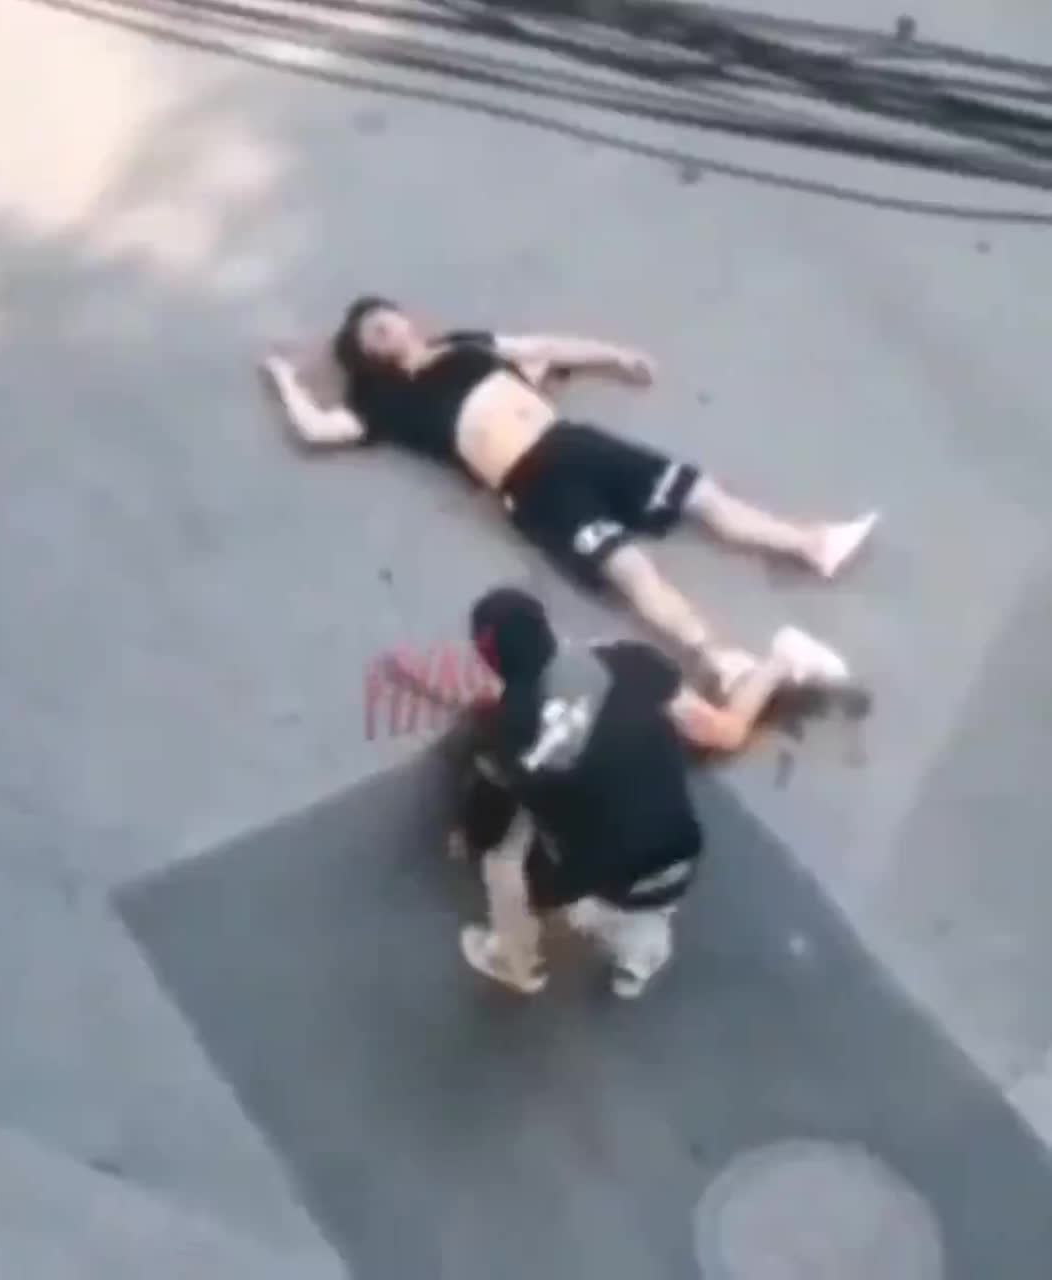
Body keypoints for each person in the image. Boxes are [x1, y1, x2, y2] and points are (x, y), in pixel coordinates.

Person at [262, 297, 878, 687]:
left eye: (385, 316)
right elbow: (318, 429)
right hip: (532, 484)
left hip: (575, 442)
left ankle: (811, 544)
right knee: (632, 571)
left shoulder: (465, 345)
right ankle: (720, 657)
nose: (385, 327)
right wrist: (286, 381)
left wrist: (613, 355)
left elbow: (540, 346)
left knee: (703, 495)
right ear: (369, 356)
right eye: (372, 333)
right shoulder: (389, 406)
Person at [451, 587, 852, 999]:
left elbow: (486, 827)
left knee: (504, 855)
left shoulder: (504, 737)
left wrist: (478, 830)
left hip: (600, 882)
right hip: (679, 853)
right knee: (642, 913)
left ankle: (516, 960)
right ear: (546, 628)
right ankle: (636, 964)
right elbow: (722, 733)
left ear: (490, 659)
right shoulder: (628, 660)